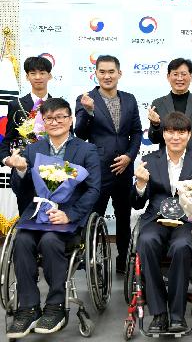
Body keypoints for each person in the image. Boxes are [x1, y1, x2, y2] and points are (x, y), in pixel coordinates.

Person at [6, 98, 100, 338]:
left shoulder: (86, 149)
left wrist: (69, 214)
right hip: (37, 214)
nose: (56, 122)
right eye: (50, 118)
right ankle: (27, 308)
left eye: (61, 117)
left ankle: (56, 306)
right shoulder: (33, 149)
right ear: (43, 122)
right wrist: (20, 170)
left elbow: (93, 190)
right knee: (22, 240)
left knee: (50, 241)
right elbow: (21, 189)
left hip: (69, 217)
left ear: (70, 120)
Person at [131, 112, 192, 333]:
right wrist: (140, 184)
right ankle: (158, 314)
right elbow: (138, 203)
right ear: (163, 134)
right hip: (156, 218)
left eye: (181, 132)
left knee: (181, 246)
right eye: (170, 132)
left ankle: (177, 314)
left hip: (188, 220)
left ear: (188, 135)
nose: (175, 137)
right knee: (146, 241)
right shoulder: (149, 160)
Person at [75, 55, 142, 274]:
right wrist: (89, 111)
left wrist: (129, 157)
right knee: (95, 214)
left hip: (124, 168)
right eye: (102, 72)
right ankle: (93, 259)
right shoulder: (85, 99)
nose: (107, 76)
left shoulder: (130, 99)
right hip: (97, 168)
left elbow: (136, 132)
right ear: (96, 74)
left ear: (119, 73)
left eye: (111, 71)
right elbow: (81, 133)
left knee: (123, 216)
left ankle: (124, 260)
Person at [0, 56, 53, 214]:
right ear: (27, 76)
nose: (38, 77)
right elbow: (7, 139)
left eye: (42, 73)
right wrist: (6, 159)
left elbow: (68, 138)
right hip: (24, 170)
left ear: (49, 76)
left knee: (51, 219)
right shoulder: (16, 105)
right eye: (33, 73)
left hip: (52, 172)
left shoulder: (58, 104)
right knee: (26, 218)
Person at [147, 58, 192, 159]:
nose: (179, 78)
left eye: (183, 74)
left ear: (191, 77)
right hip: (167, 164)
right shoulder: (158, 103)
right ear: (168, 77)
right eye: (175, 74)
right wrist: (155, 125)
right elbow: (154, 140)